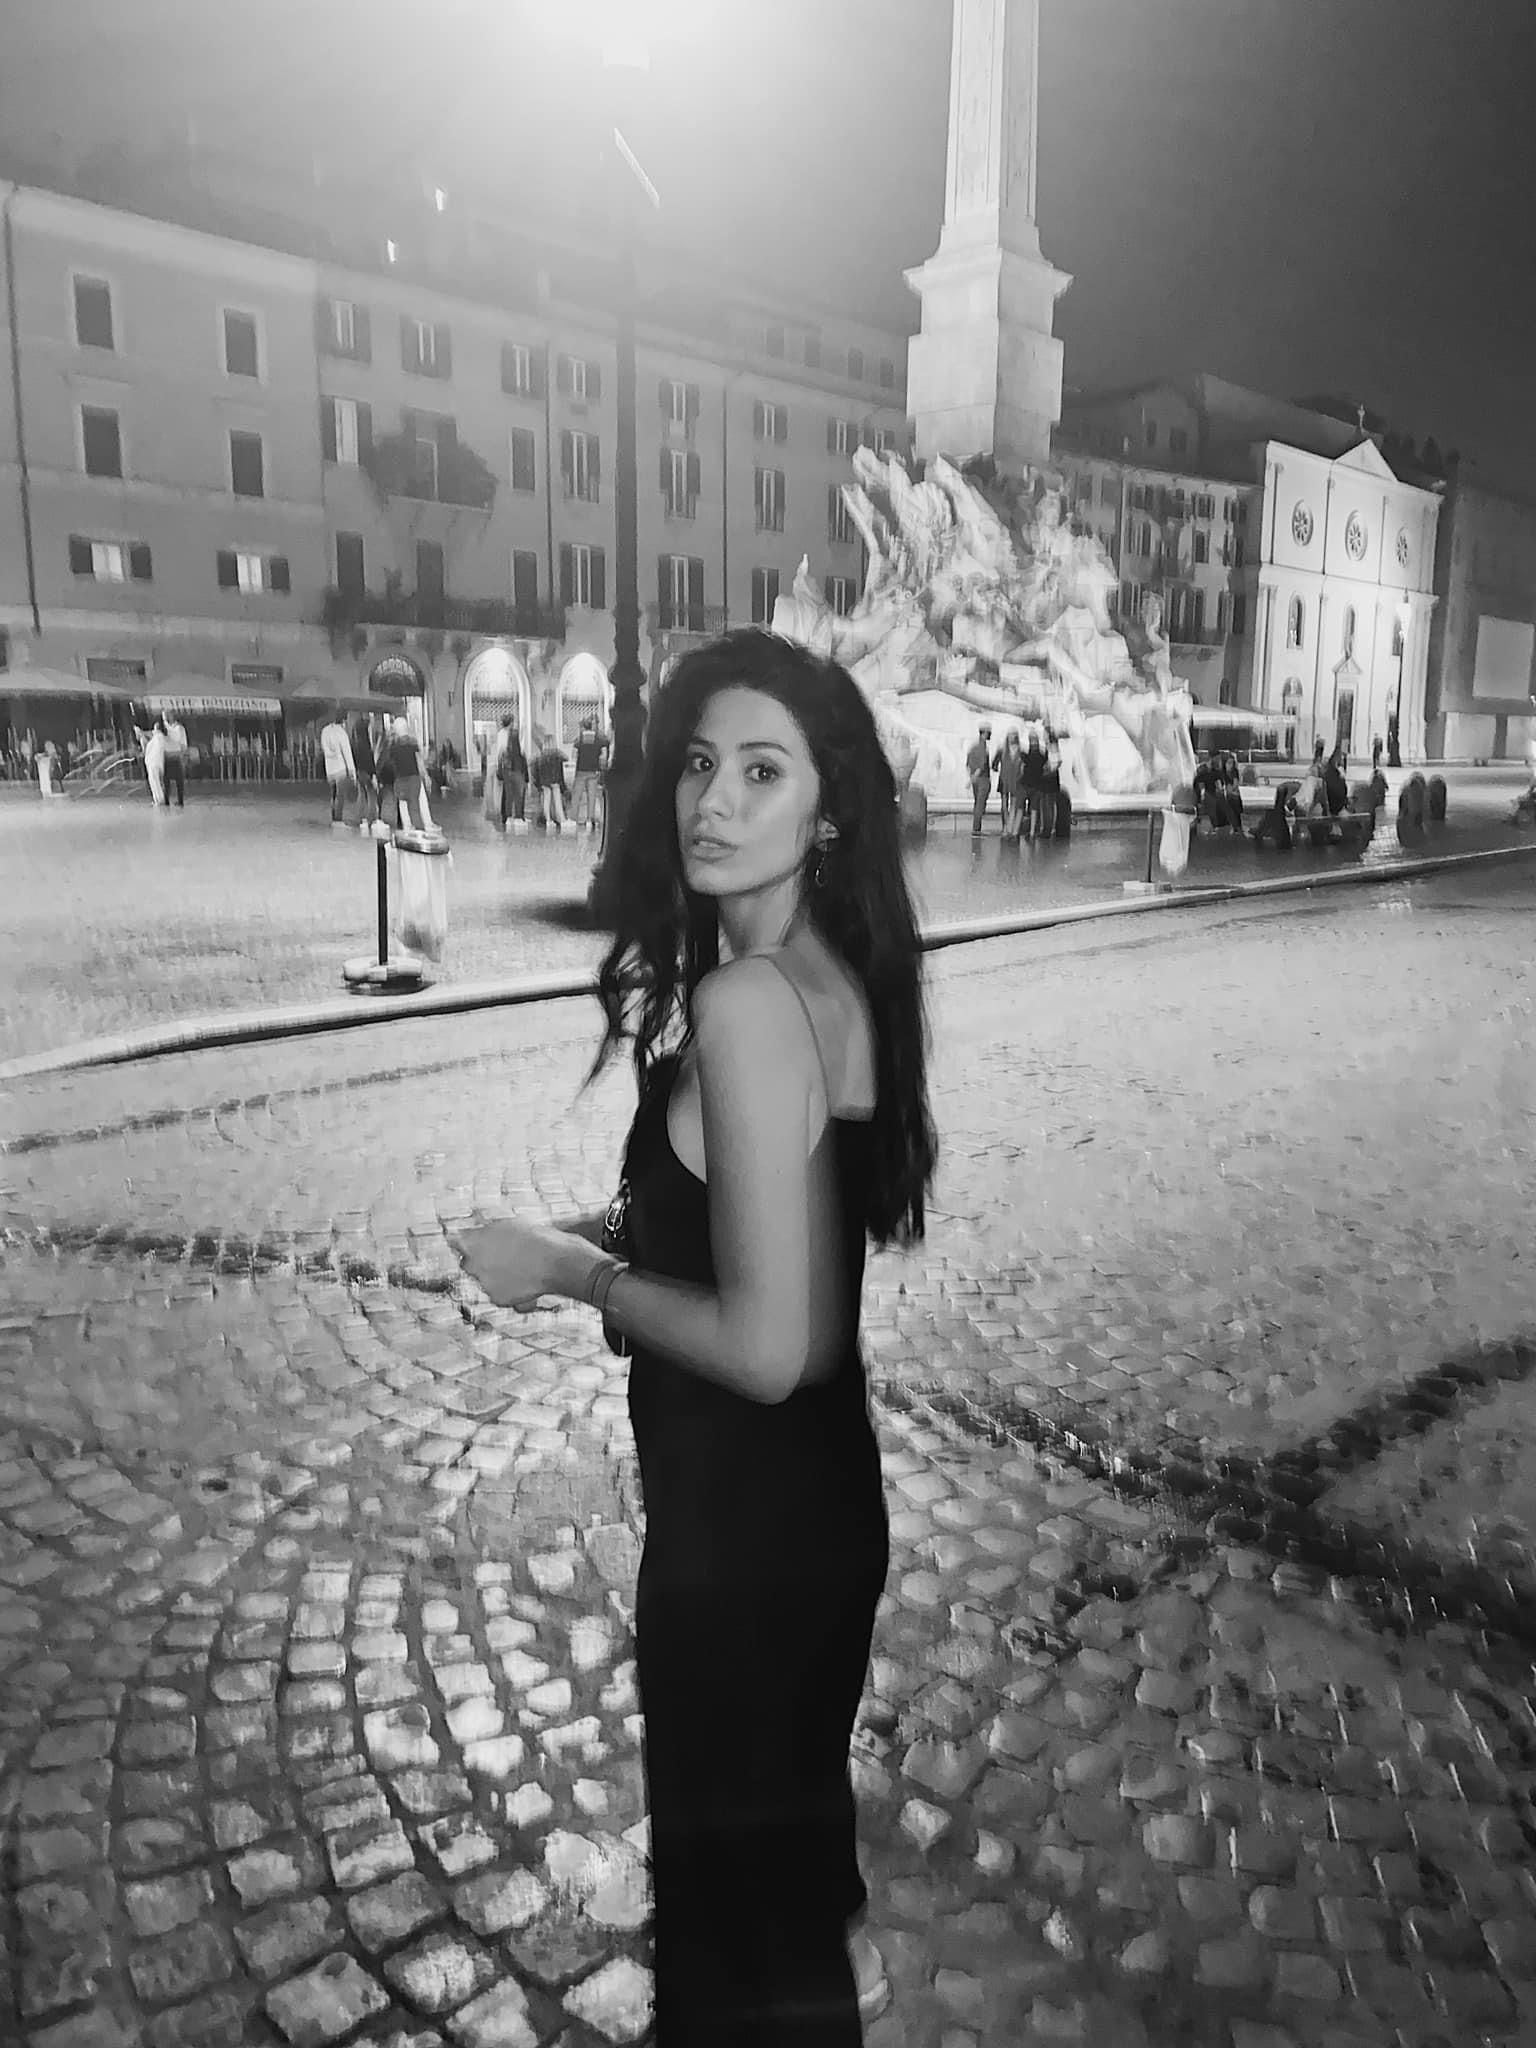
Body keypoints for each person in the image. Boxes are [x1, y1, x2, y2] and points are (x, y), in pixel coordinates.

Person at [452, 627, 937, 2039]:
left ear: (828, 810)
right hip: (816, 1517)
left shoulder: (745, 1006)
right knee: (784, 1909)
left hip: (740, 1544)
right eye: (701, 764)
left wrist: (570, 1273)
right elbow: (762, 1221)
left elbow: (770, 1343)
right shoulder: (832, 976)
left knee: (733, 1966)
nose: (715, 799)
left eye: (763, 771)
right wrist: (587, 1231)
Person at [385, 716, 432, 830]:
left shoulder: (393, 747)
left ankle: (407, 829)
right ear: (406, 728)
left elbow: (391, 764)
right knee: (415, 806)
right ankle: (420, 830)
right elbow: (419, 762)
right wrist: (426, 776)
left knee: (403, 806)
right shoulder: (413, 744)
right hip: (413, 779)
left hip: (400, 780)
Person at [319, 709, 356, 828]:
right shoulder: (342, 733)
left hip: (329, 769)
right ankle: (338, 820)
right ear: (344, 720)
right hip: (340, 769)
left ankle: (333, 818)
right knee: (340, 797)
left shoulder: (325, 731)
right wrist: (352, 771)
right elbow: (347, 752)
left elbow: (324, 749)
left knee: (333, 795)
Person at [572, 714, 607, 833]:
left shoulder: (578, 740)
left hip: (581, 771)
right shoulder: (599, 739)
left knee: (577, 795)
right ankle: (589, 819)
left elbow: (574, 755)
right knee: (591, 796)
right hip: (593, 771)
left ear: (583, 727)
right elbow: (603, 756)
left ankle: (573, 818)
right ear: (591, 726)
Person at [532, 726, 568, 830]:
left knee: (546, 801)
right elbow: (566, 757)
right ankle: (561, 819)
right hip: (555, 780)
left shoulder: (541, 755)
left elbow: (533, 763)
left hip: (544, 781)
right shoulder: (557, 753)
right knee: (557, 800)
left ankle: (548, 820)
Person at [995, 727, 1025, 841]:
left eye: (1014, 735)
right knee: (1004, 805)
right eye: (1010, 735)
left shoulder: (1021, 751)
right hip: (1004, 781)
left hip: (1016, 781)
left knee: (1013, 805)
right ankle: (1006, 827)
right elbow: (994, 764)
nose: (1012, 737)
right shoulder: (1002, 750)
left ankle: (1010, 829)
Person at [499, 721, 529, 833]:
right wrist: (527, 779)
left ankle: (508, 817)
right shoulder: (520, 752)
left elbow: (501, 764)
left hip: (507, 773)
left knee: (509, 796)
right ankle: (518, 817)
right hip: (518, 772)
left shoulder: (505, 752)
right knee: (519, 796)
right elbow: (524, 765)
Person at [350, 716, 378, 831]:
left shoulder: (355, 744)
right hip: (367, 773)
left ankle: (358, 817)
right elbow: (370, 762)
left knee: (361, 795)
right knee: (371, 796)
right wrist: (374, 775)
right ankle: (371, 818)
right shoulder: (366, 745)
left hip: (359, 772)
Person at [966, 722, 993, 836]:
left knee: (977, 803)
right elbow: (982, 766)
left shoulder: (973, 747)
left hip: (976, 780)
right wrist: (973, 778)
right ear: (985, 733)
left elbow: (968, 764)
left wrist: (971, 777)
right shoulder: (983, 747)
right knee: (980, 805)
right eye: (989, 732)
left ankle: (976, 828)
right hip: (983, 779)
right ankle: (976, 829)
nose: (991, 734)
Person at [140, 718, 167, 807]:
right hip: (153, 763)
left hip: (155, 763)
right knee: (153, 782)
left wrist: (141, 732)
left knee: (155, 782)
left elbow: (151, 734)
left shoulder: (159, 736)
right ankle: (157, 799)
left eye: (155, 728)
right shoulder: (155, 738)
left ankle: (160, 800)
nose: (153, 730)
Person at [163, 714, 188, 807]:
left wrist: (181, 755)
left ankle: (179, 801)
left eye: (166, 716)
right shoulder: (164, 728)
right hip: (168, 757)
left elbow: (184, 746)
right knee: (167, 783)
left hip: (175, 757)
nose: (165, 718)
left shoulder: (179, 729)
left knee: (178, 782)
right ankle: (167, 802)